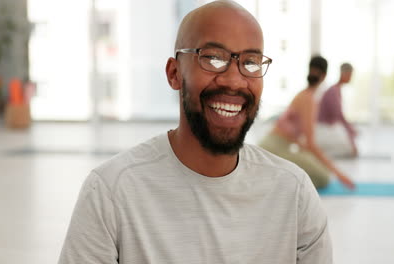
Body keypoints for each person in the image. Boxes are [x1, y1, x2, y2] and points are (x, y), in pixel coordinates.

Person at [58, 1, 333, 263]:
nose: (234, 81)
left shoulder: (293, 193)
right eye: (213, 58)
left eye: (250, 62)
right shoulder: (112, 191)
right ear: (174, 73)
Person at [259, 56, 355, 190]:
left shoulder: (303, 95)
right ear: (324, 76)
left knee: (320, 169)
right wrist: (340, 174)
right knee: (323, 177)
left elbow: (299, 140)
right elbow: (311, 144)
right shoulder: (308, 99)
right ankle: (275, 184)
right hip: (274, 149)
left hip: (273, 145)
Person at [316, 63, 358, 157]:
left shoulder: (336, 90)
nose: (351, 78)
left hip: (328, 128)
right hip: (322, 130)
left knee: (350, 146)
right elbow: (339, 116)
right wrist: (350, 133)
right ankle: (319, 154)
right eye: (350, 75)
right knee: (350, 150)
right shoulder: (333, 91)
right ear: (344, 74)